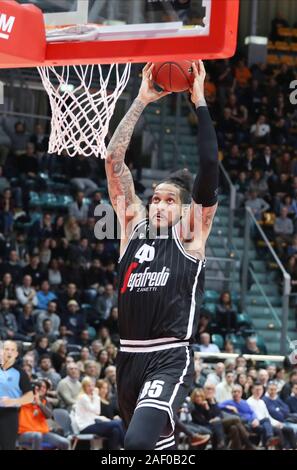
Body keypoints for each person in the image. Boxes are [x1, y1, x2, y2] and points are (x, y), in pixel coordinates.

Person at [105, 61, 218, 450]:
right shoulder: (133, 227)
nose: (157, 203)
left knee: (136, 445)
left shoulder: (190, 234)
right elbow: (113, 162)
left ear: (186, 209)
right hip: (128, 357)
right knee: (153, 448)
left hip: (169, 357)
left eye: (168, 199)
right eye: (154, 197)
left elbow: (208, 166)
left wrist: (199, 101)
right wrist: (139, 100)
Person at [18, 379, 70, 450]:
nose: (41, 389)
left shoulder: (45, 403)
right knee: (37, 436)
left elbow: (48, 416)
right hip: (23, 433)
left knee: (65, 442)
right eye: (39, 386)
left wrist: (39, 403)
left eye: (44, 387)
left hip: (43, 433)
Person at [0, 340, 33, 449]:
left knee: (7, 446)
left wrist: (14, 401)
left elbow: (30, 397)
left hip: (9, 415)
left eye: (12, 350)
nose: (9, 352)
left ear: (16, 354)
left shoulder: (20, 373)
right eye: (6, 349)